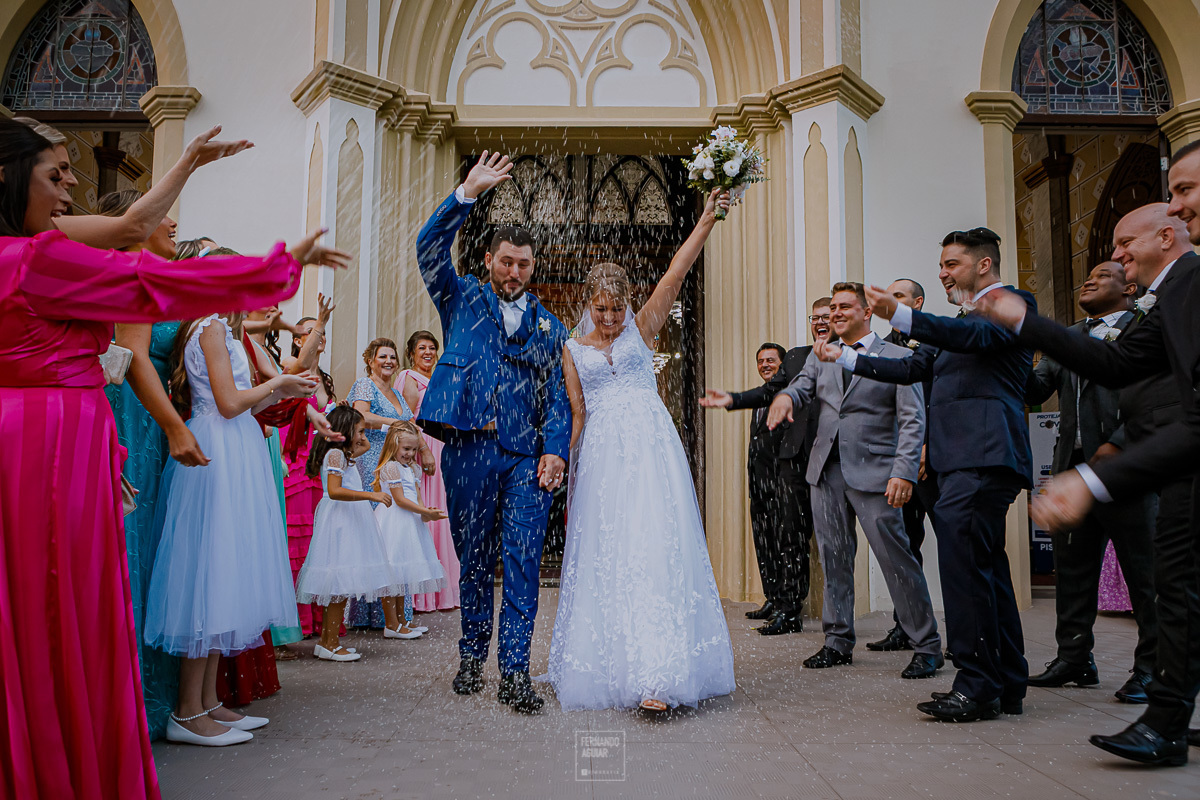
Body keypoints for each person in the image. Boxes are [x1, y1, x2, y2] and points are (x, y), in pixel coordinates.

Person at [0, 117, 344, 795]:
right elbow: (154, 289)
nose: (72, 184)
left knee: (32, 608)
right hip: (50, 444)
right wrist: (275, 269)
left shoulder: (25, 244)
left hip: (34, 433)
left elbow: (129, 229)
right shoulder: (37, 258)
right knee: (60, 607)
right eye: (55, 173)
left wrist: (186, 161)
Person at [979, 174, 1200, 764]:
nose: (1117, 253)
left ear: (1166, 234)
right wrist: (1025, 324)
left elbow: (1181, 405)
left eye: (1127, 244)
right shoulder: (1170, 293)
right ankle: (1167, 716)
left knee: (1169, 586)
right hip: (1156, 467)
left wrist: (1099, 475)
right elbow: (1117, 362)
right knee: (1177, 590)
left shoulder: (1189, 283)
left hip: (1155, 463)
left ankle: (1165, 711)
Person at [815, 227, 1035, 722]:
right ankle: (1007, 682)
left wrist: (901, 313)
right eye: (940, 264)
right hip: (956, 463)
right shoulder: (957, 323)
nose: (942, 272)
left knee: (964, 575)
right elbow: (912, 369)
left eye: (951, 264)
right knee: (987, 572)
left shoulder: (1010, 304)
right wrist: (848, 356)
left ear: (983, 265)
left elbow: (969, 337)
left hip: (982, 455)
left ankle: (977, 685)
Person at [542, 188, 736, 712]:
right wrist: (562, 457)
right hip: (602, 458)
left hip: (651, 453)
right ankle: (612, 667)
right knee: (609, 553)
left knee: (654, 548)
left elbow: (676, 271)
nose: (609, 318)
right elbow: (577, 414)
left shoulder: (643, 327)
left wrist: (705, 221)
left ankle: (661, 676)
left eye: (616, 308)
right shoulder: (571, 349)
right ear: (588, 304)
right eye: (601, 309)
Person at [415, 151, 572, 714]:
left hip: (526, 461)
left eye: (524, 265)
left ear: (534, 267)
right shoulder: (461, 300)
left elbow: (559, 396)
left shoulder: (551, 326)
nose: (514, 272)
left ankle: (513, 672)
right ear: (488, 260)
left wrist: (556, 449)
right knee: (475, 559)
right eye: (506, 262)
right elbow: (428, 251)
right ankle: (471, 654)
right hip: (467, 451)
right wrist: (465, 195)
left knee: (524, 559)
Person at [143, 311, 319, 746]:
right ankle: (186, 711)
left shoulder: (224, 329)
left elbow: (245, 401)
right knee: (210, 571)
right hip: (218, 448)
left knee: (225, 573)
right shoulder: (212, 327)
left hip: (234, 444)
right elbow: (227, 403)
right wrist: (278, 383)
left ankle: (206, 701)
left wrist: (285, 388)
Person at [766, 282, 941, 679]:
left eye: (845, 307)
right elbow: (801, 388)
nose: (835, 313)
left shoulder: (898, 357)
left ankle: (926, 645)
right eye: (832, 307)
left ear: (867, 312)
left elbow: (912, 420)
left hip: (877, 473)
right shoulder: (822, 354)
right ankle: (837, 640)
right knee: (834, 558)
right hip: (825, 470)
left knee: (896, 560)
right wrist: (786, 399)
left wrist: (903, 470)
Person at [1022, 261, 1158, 704]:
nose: (1089, 279)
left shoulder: (1146, 327)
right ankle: (1075, 659)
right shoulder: (1072, 337)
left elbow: (1157, 397)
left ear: (1129, 287)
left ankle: (1152, 670)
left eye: (1103, 275)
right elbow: (1034, 388)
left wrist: (1119, 443)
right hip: (1073, 470)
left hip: (1126, 468)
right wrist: (1012, 348)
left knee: (1147, 574)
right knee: (1073, 571)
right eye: (1088, 275)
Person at [95, 189, 189, 739]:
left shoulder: (149, 277)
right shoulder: (127, 275)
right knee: (131, 544)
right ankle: (129, 705)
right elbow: (126, 360)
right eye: (161, 212)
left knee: (151, 546)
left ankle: (155, 698)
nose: (172, 221)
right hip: (132, 415)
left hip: (151, 418)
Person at [699, 298, 830, 634]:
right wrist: (733, 399)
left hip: (834, 459)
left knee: (828, 543)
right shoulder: (799, 357)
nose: (821, 322)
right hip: (787, 466)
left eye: (827, 316)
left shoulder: (862, 354)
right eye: (815, 317)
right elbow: (770, 391)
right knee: (785, 537)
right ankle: (786, 608)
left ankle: (835, 619)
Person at [296, 406, 402, 660]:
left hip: (350, 518)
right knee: (338, 584)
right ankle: (330, 644)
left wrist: (358, 433)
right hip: (340, 521)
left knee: (342, 583)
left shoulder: (344, 454)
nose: (363, 437)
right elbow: (335, 490)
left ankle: (326, 641)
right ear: (346, 431)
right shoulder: (335, 454)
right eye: (360, 431)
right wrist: (371, 495)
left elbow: (363, 448)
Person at [872, 278, 941, 652]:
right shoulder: (882, 348)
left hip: (931, 462)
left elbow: (938, 400)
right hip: (897, 466)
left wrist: (929, 447)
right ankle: (906, 626)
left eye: (899, 295)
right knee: (904, 547)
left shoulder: (937, 339)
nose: (891, 300)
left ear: (918, 301)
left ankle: (964, 635)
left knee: (951, 544)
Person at [345, 337, 433, 628]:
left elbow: (411, 426)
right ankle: (370, 614)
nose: (388, 362)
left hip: (398, 461)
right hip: (373, 462)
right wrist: (391, 425)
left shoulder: (395, 391)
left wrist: (423, 450)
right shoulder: (365, 385)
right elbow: (362, 416)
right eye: (382, 356)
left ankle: (396, 618)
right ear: (370, 360)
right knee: (376, 535)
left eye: (392, 357)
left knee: (397, 539)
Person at [280, 301, 338, 636]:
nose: (319, 336)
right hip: (295, 457)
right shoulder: (290, 364)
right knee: (295, 541)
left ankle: (319, 619)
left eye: (321, 332)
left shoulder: (323, 378)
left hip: (318, 463)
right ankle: (293, 622)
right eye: (311, 331)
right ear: (299, 340)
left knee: (318, 540)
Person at [400, 330, 461, 612]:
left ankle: (441, 591)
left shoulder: (439, 377)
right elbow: (406, 420)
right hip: (424, 448)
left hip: (444, 446)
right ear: (412, 352)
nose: (428, 352)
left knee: (443, 516)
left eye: (432, 347)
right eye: (422, 347)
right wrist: (423, 450)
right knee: (428, 513)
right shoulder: (409, 378)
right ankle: (421, 594)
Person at [372, 420, 448, 637]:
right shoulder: (390, 467)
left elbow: (416, 496)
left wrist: (426, 513)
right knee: (392, 573)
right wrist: (420, 510)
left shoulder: (413, 468)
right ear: (393, 445)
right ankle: (391, 624)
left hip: (410, 523)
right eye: (406, 449)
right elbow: (400, 499)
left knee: (402, 574)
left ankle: (403, 620)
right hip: (394, 521)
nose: (410, 453)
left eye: (414, 449)